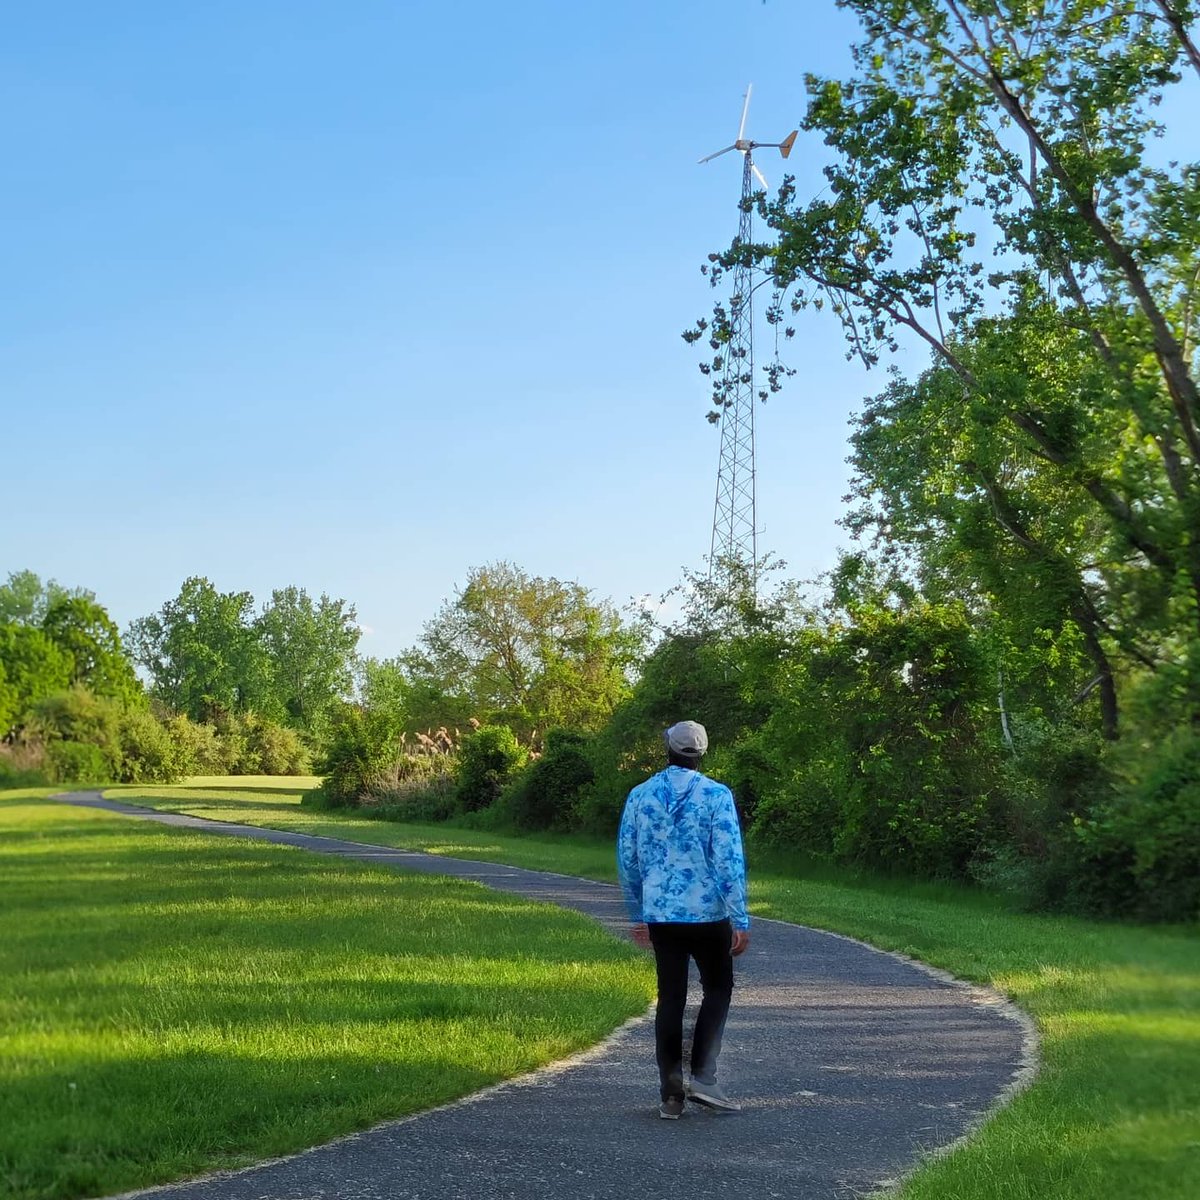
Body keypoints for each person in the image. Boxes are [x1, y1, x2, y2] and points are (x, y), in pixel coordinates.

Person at [616, 719, 750, 1119]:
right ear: (701, 753)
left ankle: (671, 1094)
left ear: (667, 749)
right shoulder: (716, 795)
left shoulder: (640, 795)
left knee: (671, 997)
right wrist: (739, 917)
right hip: (709, 913)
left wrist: (637, 913)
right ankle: (704, 1078)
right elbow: (728, 859)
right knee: (718, 988)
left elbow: (628, 858)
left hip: (661, 913)